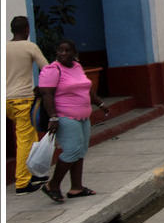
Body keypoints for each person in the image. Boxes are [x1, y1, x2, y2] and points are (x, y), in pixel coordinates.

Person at [39, 39, 110, 203]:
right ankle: (53, 185)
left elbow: (87, 88)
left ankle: (76, 188)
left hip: (83, 116)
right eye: (60, 50)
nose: (63, 53)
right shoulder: (52, 69)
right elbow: (46, 94)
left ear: (74, 53)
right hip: (65, 117)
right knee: (71, 150)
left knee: (81, 150)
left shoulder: (77, 67)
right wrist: (53, 117)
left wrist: (100, 104)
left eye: (67, 50)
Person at [6, 16, 50, 194]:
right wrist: (41, 88)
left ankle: (32, 173)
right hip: (23, 99)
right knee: (25, 141)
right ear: (27, 29)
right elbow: (46, 68)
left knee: (31, 137)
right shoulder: (29, 46)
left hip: (6, 100)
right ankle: (22, 182)